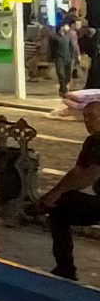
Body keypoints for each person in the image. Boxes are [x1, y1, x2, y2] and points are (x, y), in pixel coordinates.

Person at [38, 101, 100, 279]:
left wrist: (54, 195)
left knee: (62, 204)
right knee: (61, 208)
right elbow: (77, 173)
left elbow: (89, 175)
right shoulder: (92, 141)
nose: (87, 121)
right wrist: (53, 195)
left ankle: (65, 268)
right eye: (85, 117)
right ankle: (65, 268)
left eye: (92, 117)